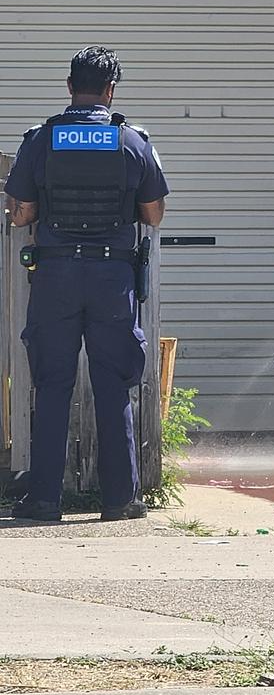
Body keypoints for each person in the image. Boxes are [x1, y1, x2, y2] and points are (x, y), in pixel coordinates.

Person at [5, 45, 169, 522]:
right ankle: (120, 501)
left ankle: (43, 501)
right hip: (112, 278)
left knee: (52, 385)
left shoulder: (41, 139)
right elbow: (154, 215)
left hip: (55, 275)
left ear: (70, 86)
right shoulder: (132, 140)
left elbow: (21, 215)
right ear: (111, 89)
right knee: (114, 386)